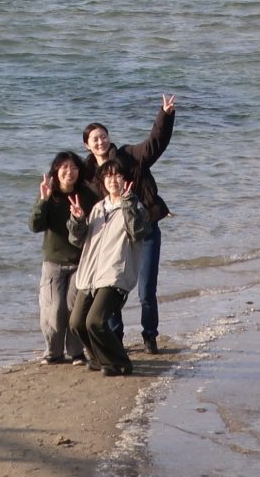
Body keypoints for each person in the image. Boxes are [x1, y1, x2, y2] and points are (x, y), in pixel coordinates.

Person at [79, 93, 175, 353]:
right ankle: (115, 337)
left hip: (145, 231)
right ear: (87, 145)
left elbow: (155, 143)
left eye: (103, 136)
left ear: (109, 138)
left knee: (146, 290)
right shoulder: (89, 178)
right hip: (114, 239)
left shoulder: (130, 157)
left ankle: (150, 337)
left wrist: (164, 115)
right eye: (94, 139)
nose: (100, 141)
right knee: (110, 288)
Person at [67, 161, 151, 376]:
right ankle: (98, 358)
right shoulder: (97, 208)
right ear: (103, 181)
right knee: (77, 323)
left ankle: (121, 363)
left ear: (126, 180)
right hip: (89, 275)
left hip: (115, 274)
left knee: (95, 321)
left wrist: (128, 204)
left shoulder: (135, 207)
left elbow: (138, 233)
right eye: (108, 176)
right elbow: (77, 240)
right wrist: (77, 220)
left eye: (118, 176)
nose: (113, 180)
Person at [30, 150, 98, 364]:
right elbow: (35, 226)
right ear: (56, 171)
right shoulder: (49, 194)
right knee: (54, 309)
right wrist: (43, 200)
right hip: (53, 262)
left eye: (74, 167)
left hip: (80, 262)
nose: (70, 172)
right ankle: (53, 352)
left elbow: (95, 230)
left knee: (73, 309)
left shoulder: (87, 196)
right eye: (65, 167)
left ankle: (76, 352)